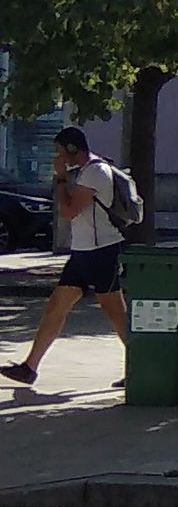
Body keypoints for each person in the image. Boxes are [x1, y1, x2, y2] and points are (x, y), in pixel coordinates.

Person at [3, 139, 128, 393]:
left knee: (115, 312)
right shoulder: (84, 171)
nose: (58, 158)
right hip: (83, 252)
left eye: (61, 152)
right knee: (56, 307)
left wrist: (60, 178)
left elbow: (69, 211)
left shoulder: (95, 171)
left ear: (73, 150)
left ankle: (142, 365)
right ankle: (29, 367)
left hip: (101, 251)